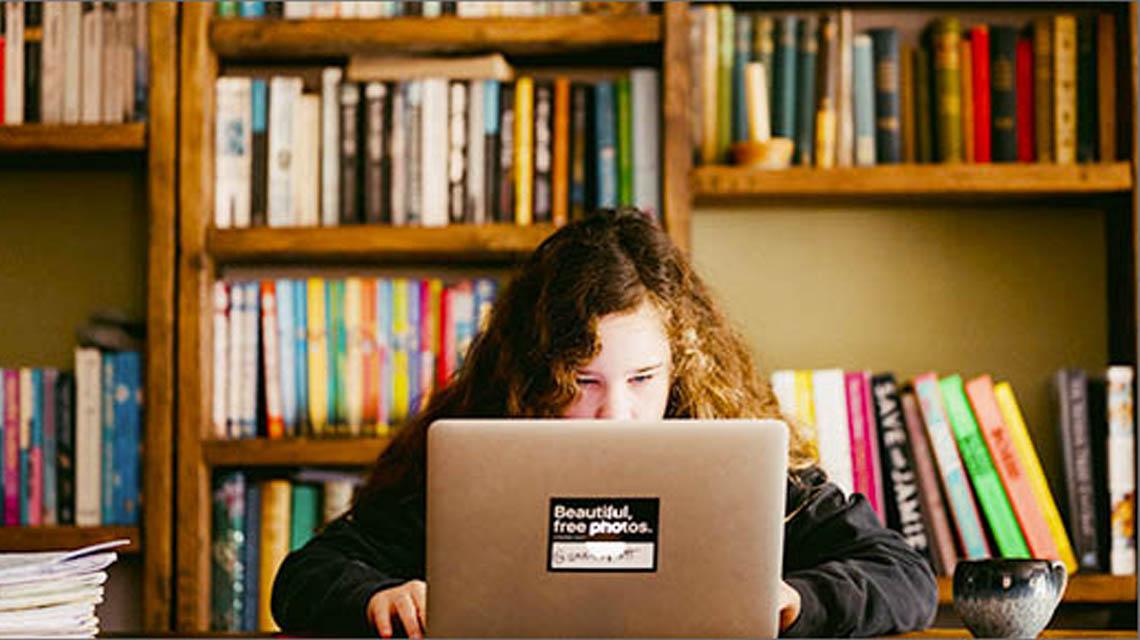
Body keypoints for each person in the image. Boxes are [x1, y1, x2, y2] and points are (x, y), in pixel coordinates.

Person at [271, 208, 938, 638]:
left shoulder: (725, 449)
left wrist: (796, 602)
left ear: (682, 366)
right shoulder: (481, 451)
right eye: (582, 382)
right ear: (537, 374)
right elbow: (304, 577)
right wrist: (376, 599)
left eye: (643, 379)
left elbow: (902, 574)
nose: (616, 412)